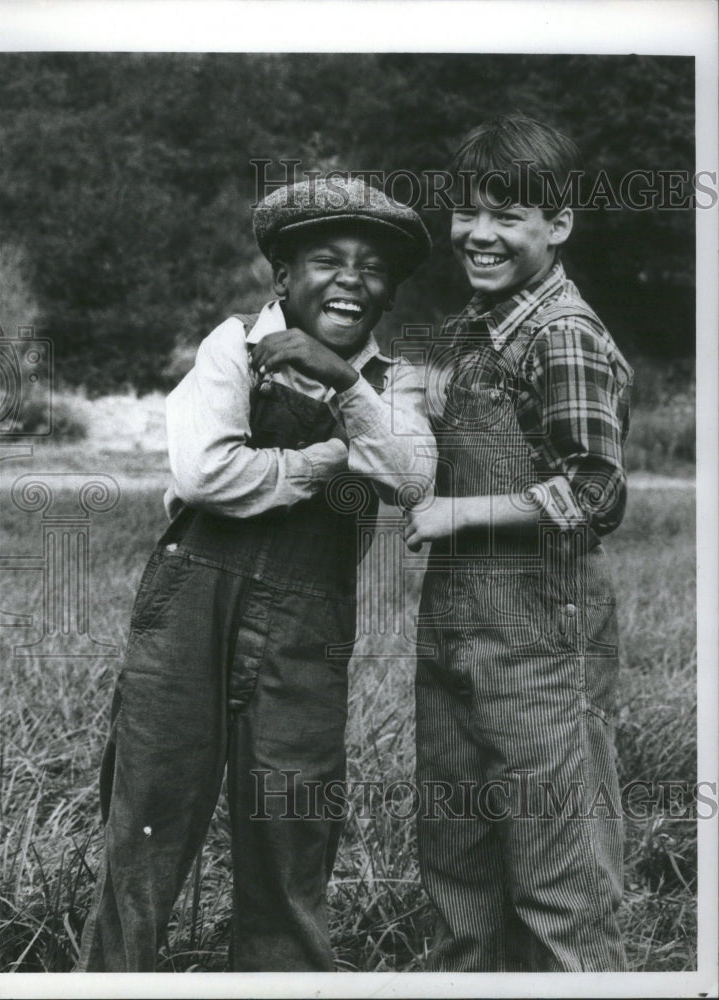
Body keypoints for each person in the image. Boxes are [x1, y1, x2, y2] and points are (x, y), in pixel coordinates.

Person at [77, 176, 435, 972]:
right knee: (149, 820)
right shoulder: (229, 345)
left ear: (388, 290)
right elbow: (208, 477)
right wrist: (326, 460)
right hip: (192, 600)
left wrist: (342, 385)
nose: (350, 278)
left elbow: (411, 479)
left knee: (291, 823)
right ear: (282, 275)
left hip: (308, 621)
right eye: (325, 259)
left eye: (372, 266)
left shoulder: (393, 381)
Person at [404, 114, 633, 971]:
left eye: (507, 216)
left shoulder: (561, 334)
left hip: (541, 638)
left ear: (558, 225)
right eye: (466, 213)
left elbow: (597, 490)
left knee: (557, 880)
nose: (479, 233)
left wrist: (459, 515)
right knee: (459, 870)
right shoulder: (475, 333)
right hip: (458, 629)